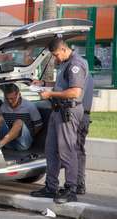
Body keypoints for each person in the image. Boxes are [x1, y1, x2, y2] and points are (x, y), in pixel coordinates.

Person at [30, 37, 87, 204]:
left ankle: (71, 189)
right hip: (58, 111)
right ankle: (50, 187)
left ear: (63, 49)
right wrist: (44, 83)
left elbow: (75, 92)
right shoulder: (65, 62)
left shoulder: (76, 64)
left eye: (56, 55)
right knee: (51, 150)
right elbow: (62, 84)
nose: (55, 58)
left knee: (67, 151)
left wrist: (50, 94)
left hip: (68, 110)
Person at [0, 83, 43, 151]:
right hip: (8, 142)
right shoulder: (3, 107)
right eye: (7, 99)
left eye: (12, 98)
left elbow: (38, 126)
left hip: (23, 142)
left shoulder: (30, 106)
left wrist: (30, 136)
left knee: (18, 122)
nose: (10, 101)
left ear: (19, 95)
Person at [76, 68, 94, 195]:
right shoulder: (88, 76)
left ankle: (79, 184)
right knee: (79, 151)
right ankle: (79, 183)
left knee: (77, 152)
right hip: (85, 117)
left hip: (80, 118)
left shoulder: (79, 76)